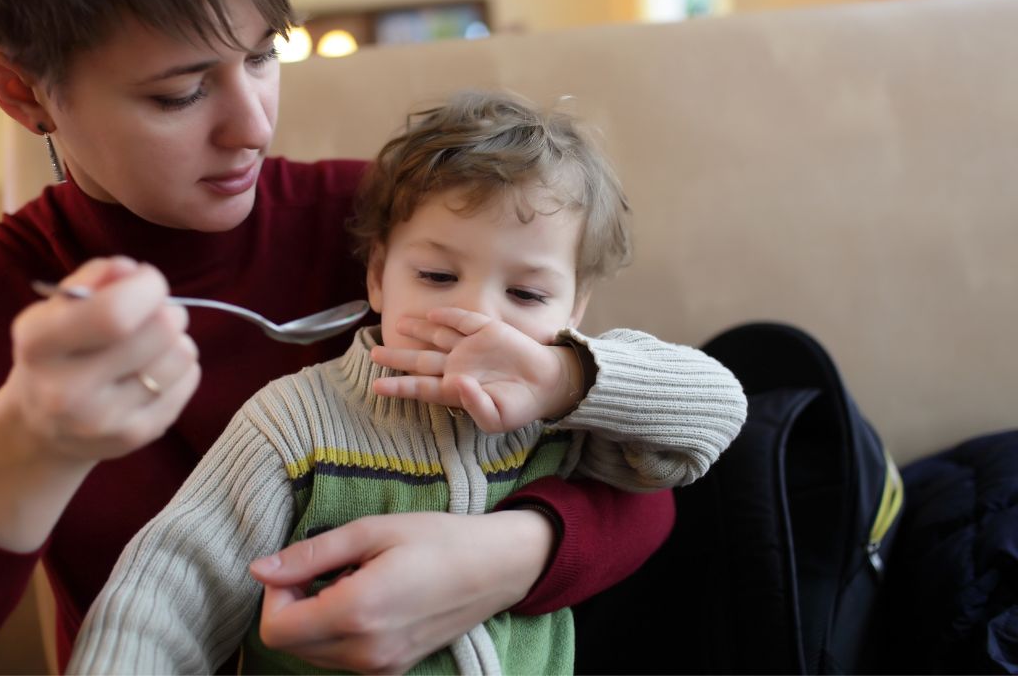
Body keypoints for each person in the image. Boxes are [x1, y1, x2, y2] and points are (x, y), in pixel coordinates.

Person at [0, 0, 745, 674]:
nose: (253, 124)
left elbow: (647, 473)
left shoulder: (403, 231)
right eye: (178, 92)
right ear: (23, 93)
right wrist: (28, 446)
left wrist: (509, 555)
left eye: (265, 54)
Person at [67, 90, 748, 675]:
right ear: (377, 277)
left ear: (574, 310)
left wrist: (565, 377)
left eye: (527, 294)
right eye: (437, 277)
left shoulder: (563, 411)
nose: (475, 315)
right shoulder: (296, 422)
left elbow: (716, 412)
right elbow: (168, 595)